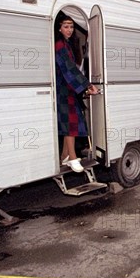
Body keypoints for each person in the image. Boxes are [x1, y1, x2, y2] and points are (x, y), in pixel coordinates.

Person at [54, 13, 99, 173]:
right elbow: (69, 69)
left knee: (71, 122)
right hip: (63, 90)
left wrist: (85, 86)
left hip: (68, 89)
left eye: (72, 26)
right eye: (66, 26)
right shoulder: (60, 45)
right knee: (70, 125)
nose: (70, 30)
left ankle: (65, 157)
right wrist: (87, 85)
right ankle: (72, 158)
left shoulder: (66, 44)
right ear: (59, 28)